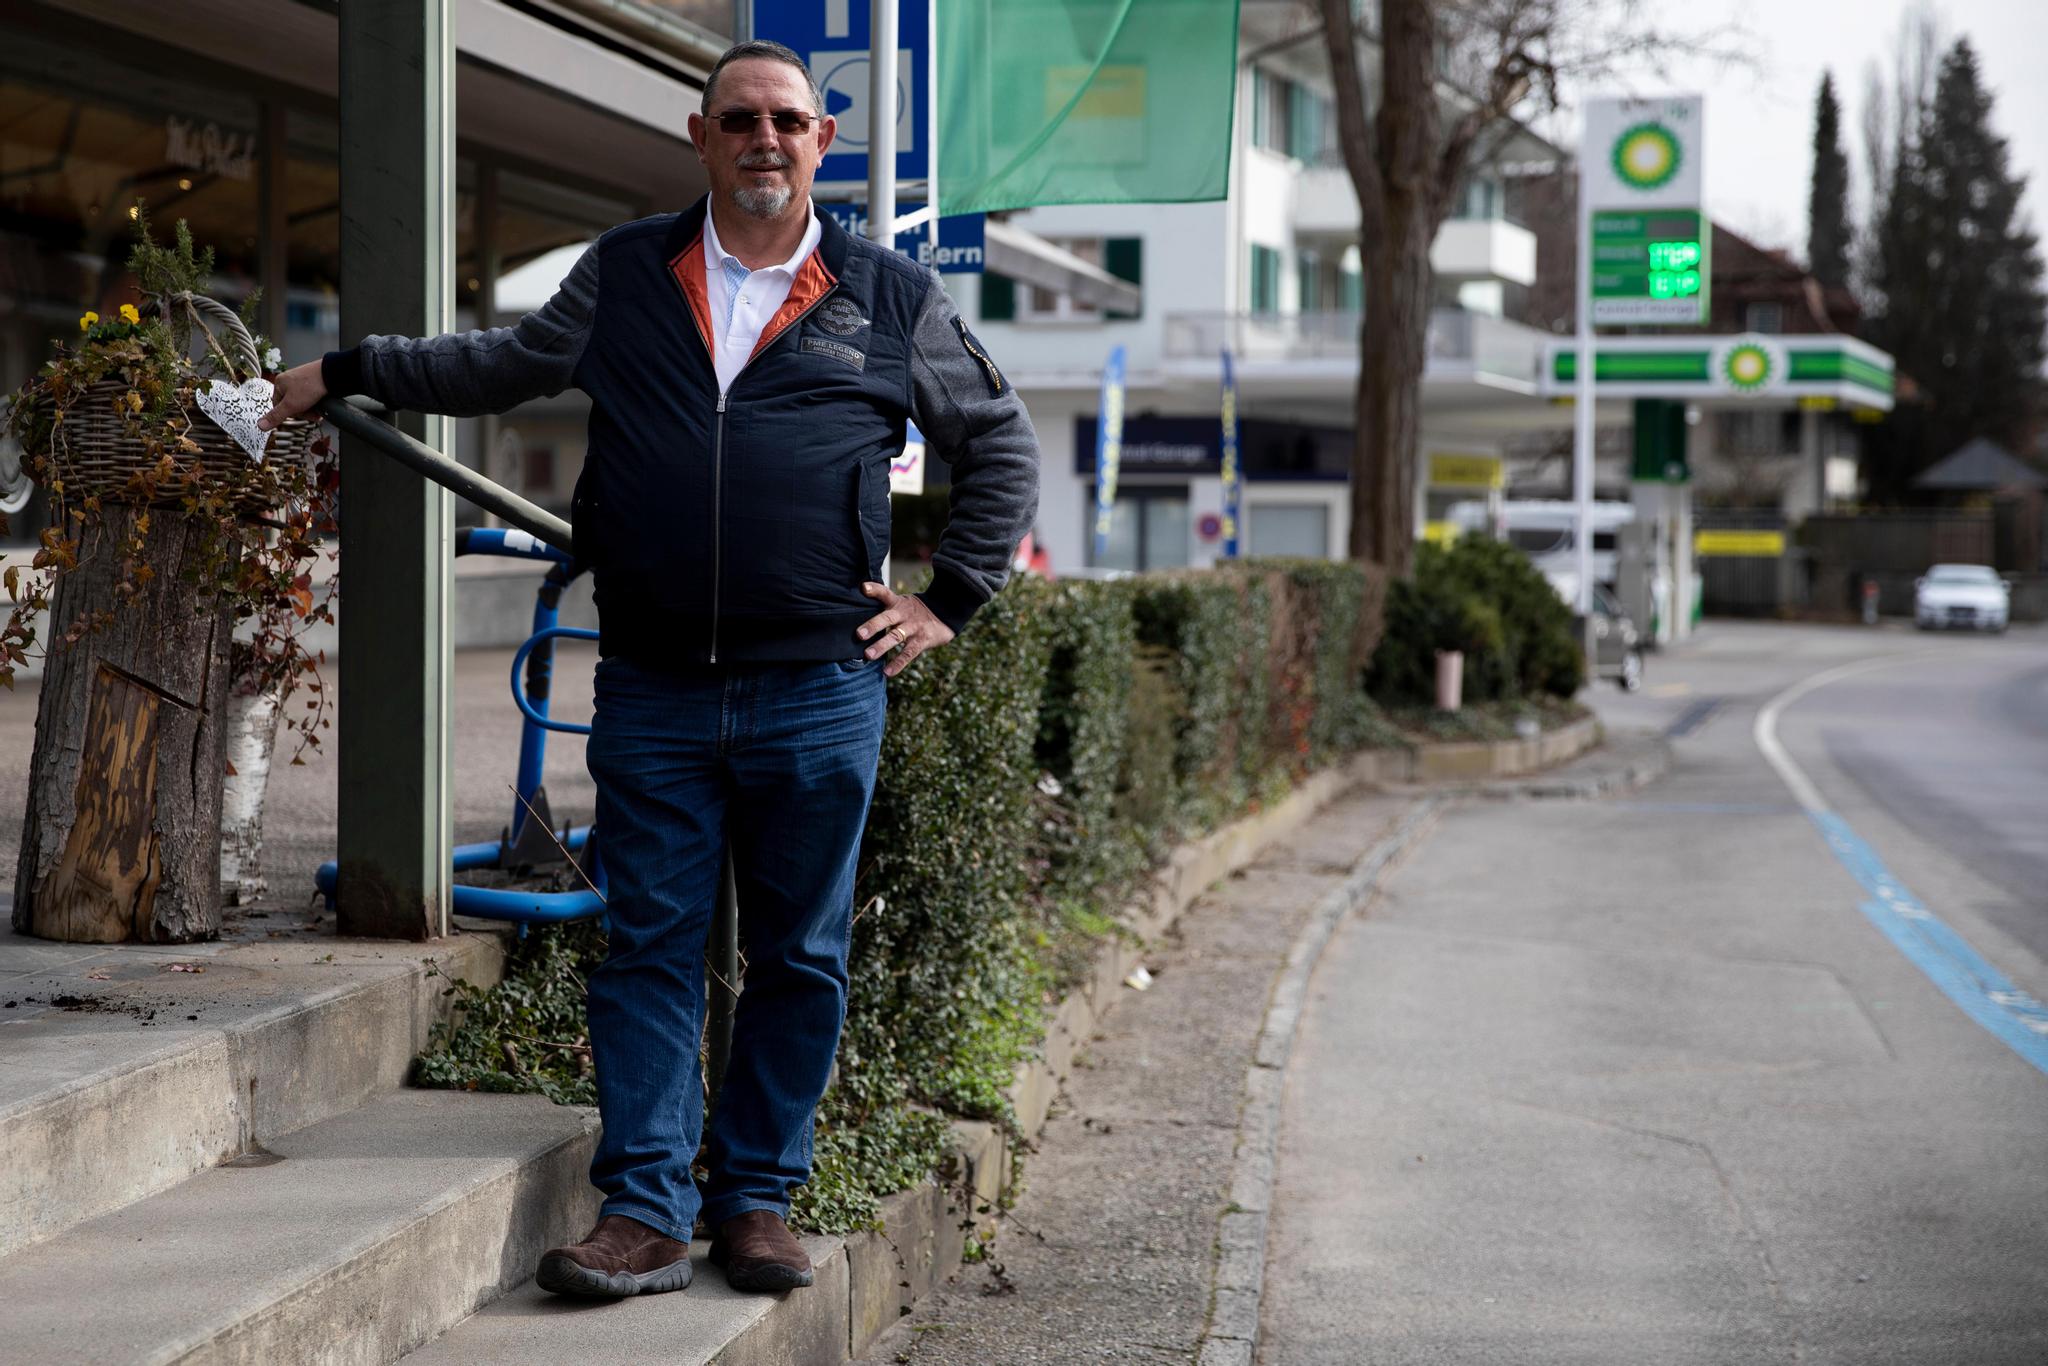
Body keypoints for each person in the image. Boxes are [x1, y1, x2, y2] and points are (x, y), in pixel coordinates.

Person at [261, 39, 1040, 1300]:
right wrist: (348, 371)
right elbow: (501, 364)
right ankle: (641, 1210)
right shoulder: (628, 270)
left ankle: (756, 1203)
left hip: (816, 689)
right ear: (700, 134)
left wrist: (950, 599)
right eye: (740, 120)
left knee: (798, 955)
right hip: (657, 685)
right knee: (646, 949)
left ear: (820, 141)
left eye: (786, 120)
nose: (764, 141)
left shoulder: (886, 295)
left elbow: (997, 440)